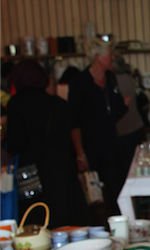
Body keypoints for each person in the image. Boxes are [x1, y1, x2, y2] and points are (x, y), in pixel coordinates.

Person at [6, 59, 89, 228]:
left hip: (32, 177)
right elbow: (71, 132)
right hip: (61, 172)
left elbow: (17, 143)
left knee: (36, 221)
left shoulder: (16, 105)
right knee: (65, 222)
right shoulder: (58, 104)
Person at [68, 38, 130, 217]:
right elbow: (73, 121)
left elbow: (115, 109)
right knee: (93, 194)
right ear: (97, 57)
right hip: (90, 148)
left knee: (116, 189)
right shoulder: (79, 82)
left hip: (111, 145)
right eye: (109, 55)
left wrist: (124, 105)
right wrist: (80, 154)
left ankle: (118, 224)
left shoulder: (110, 78)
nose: (112, 58)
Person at [113, 55, 145, 185]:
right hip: (135, 125)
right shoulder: (127, 77)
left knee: (127, 170)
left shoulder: (115, 80)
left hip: (124, 129)